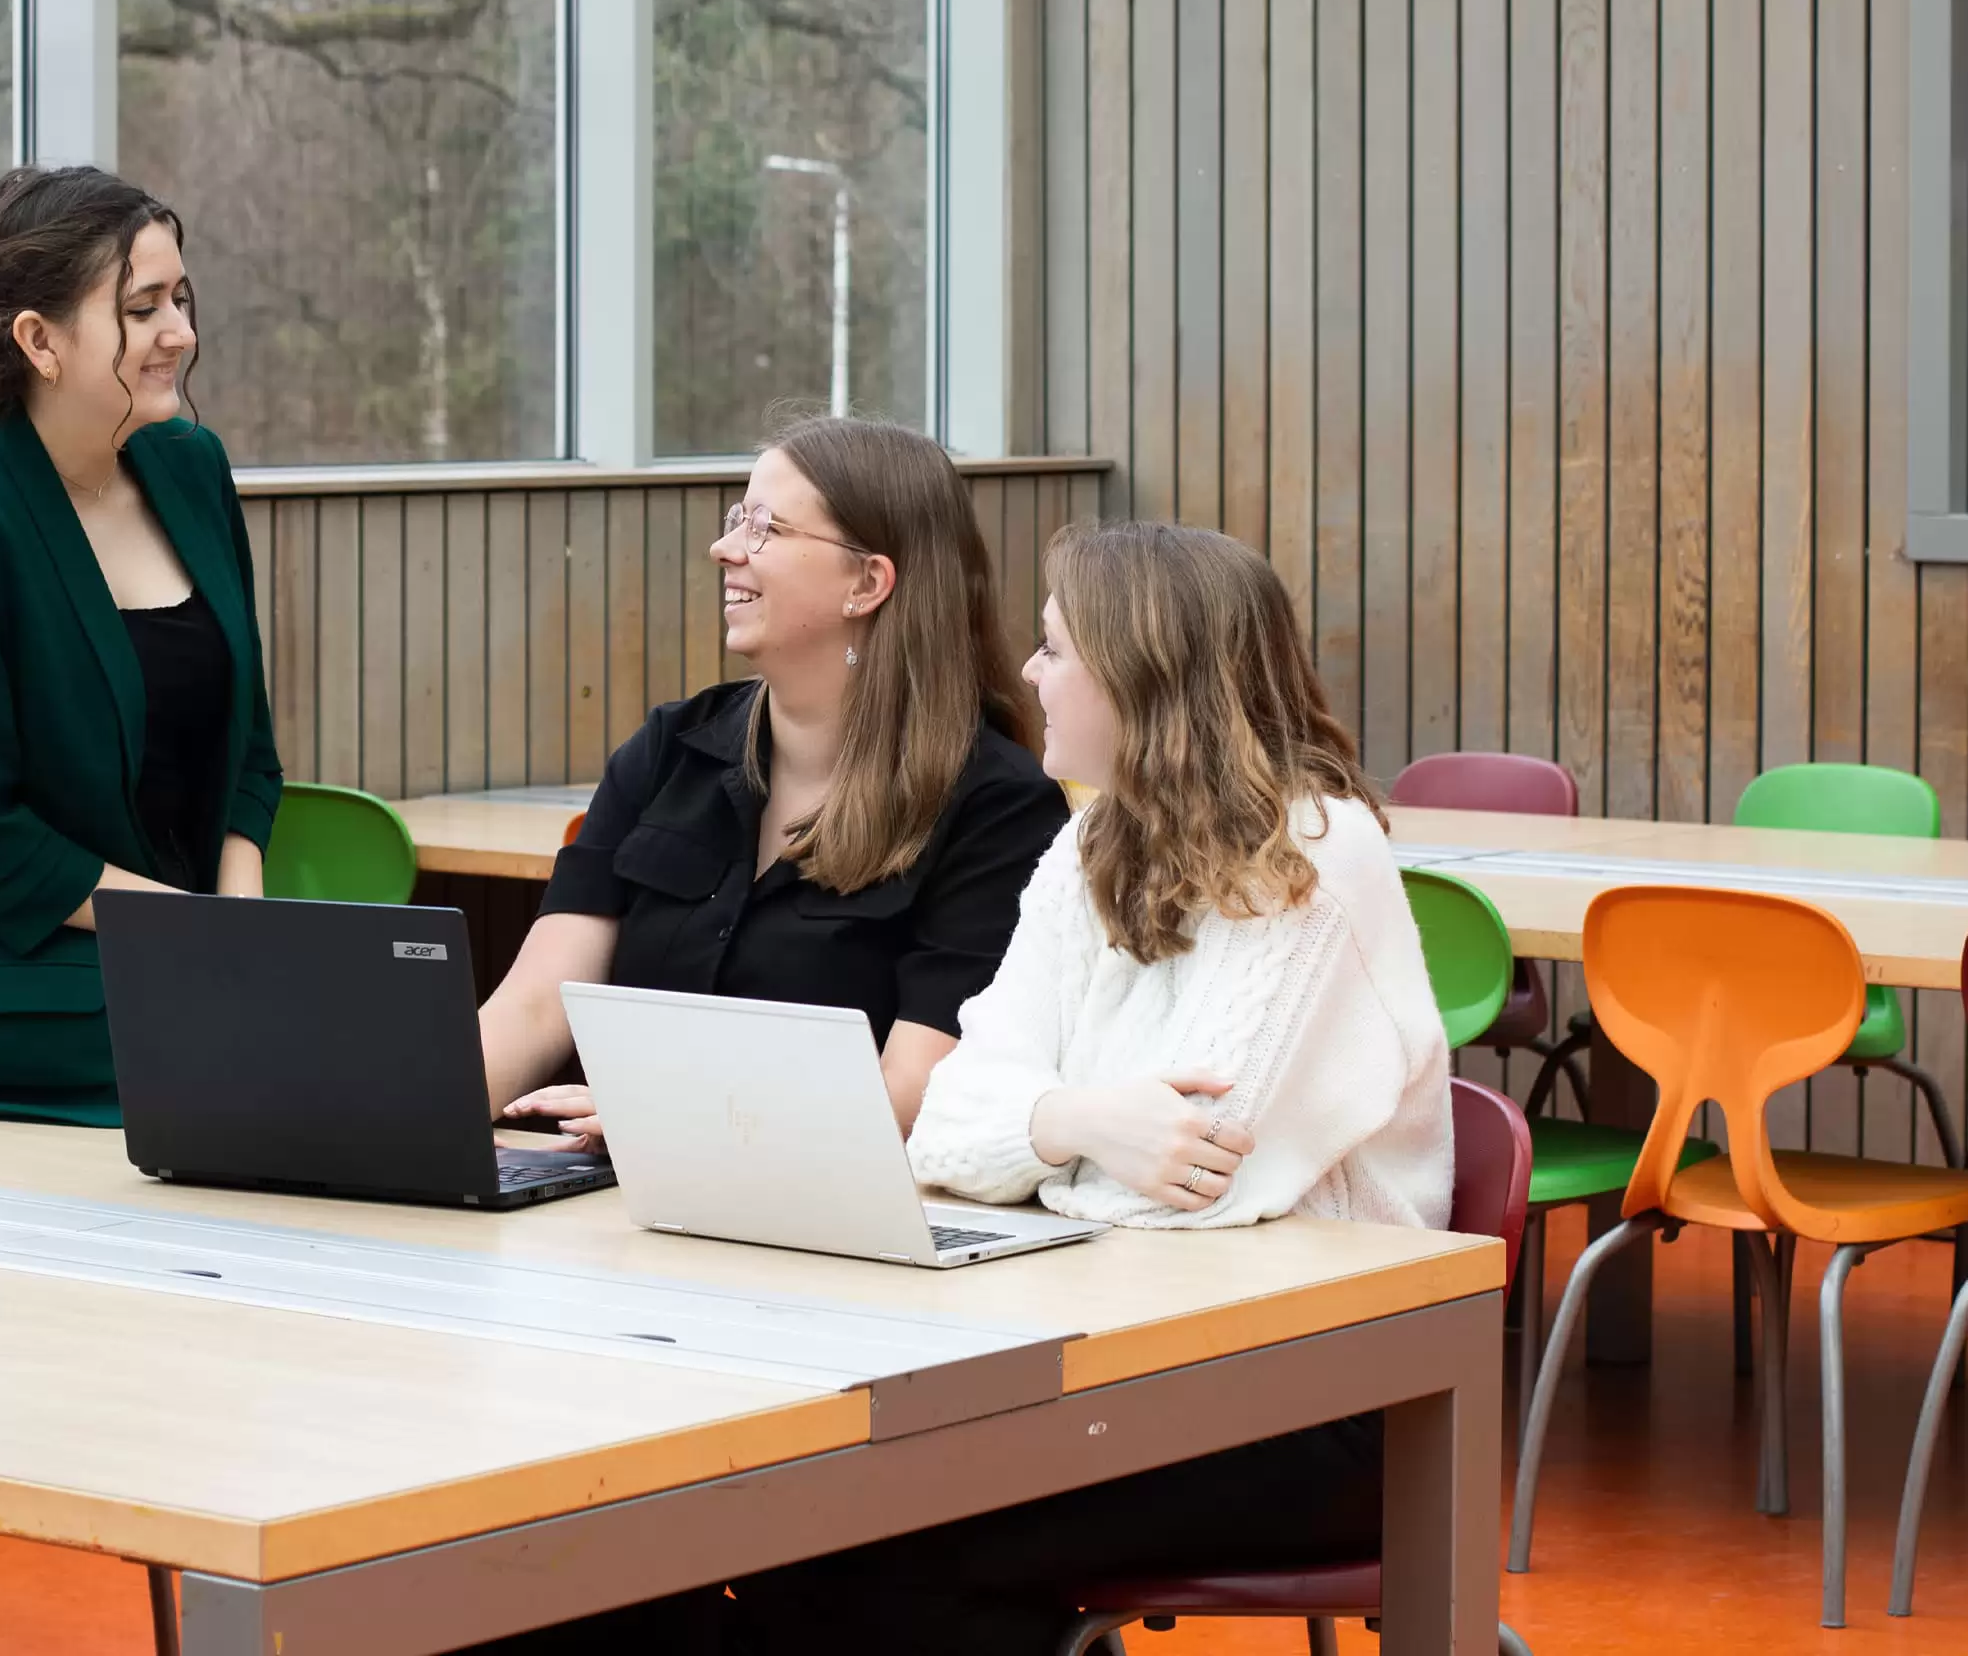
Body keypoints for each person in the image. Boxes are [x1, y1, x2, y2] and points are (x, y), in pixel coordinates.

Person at [718, 520, 1452, 1656]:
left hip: (1320, 1388)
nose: (1027, 672)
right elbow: (940, 1128)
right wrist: (1077, 1121)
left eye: (1055, 648)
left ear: (1144, 674)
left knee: (886, 1550)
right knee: (806, 1531)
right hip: (1122, 1344)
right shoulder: (1093, 839)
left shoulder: (1319, 851)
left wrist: (1041, 1142)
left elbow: (1173, 1192)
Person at [481, 415, 1070, 1144]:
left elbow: (915, 1092)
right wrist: (397, 1113)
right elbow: (534, 1006)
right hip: (619, 1193)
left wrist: (675, 1122)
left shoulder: (997, 805)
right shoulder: (669, 747)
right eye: (737, 519)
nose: (724, 549)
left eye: (766, 528)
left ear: (867, 581)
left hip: (823, 1223)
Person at [0, 165, 281, 1122]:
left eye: (181, 297)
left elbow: (247, 749)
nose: (182, 331)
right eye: (141, 308)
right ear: (39, 341)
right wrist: (204, 947)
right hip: (12, 1027)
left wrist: (244, 932)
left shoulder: (191, 467)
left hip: (191, 987)